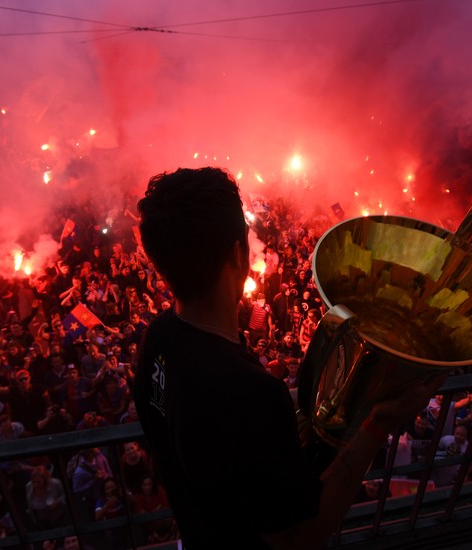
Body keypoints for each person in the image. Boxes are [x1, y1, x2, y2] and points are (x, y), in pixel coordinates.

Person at [134, 167, 441, 548]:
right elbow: (298, 536)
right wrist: (378, 425)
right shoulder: (250, 394)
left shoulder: (157, 340)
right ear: (238, 252)